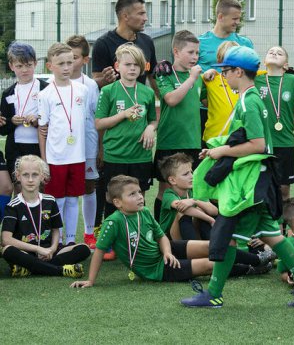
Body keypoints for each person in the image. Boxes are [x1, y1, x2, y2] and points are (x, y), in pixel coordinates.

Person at [180, 46, 294, 308]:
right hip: (257, 180)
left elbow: (257, 144)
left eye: (226, 71)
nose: (224, 76)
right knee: (271, 234)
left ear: (237, 72)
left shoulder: (248, 100)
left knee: (228, 235)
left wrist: (221, 150)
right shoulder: (252, 97)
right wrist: (217, 150)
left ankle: (214, 294)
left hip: (249, 183)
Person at [69, 175, 214, 287]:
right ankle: (235, 267)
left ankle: (233, 256)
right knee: (209, 265)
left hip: (164, 253)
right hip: (156, 269)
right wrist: (90, 280)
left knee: (211, 247)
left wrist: (167, 252)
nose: (139, 197)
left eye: (139, 192)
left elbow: (161, 236)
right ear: (117, 202)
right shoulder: (113, 222)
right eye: (132, 194)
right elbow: (99, 251)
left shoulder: (143, 211)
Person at [95, 43, 157, 259]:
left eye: (136, 65)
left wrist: (150, 128)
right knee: (113, 200)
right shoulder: (108, 91)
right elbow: (99, 123)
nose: (132, 69)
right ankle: (110, 245)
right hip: (115, 156)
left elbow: (153, 119)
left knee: (138, 199)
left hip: (140, 156)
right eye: (128, 64)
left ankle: (138, 240)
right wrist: (123, 115)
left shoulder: (147, 92)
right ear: (117, 66)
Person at [2, 155, 89, 278]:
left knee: (84, 249)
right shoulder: (13, 205)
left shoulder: (50, 201)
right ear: (18, 176)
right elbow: (6, 239)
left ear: (42, 177)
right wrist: (37, 249)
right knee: (8, 250)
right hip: (25, 252)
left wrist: (52, 249)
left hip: (48, 252)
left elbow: (55, 230)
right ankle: (59, 270)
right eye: (26, 175)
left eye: (35, 175)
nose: (30, 179)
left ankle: (29, 268)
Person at [37, 43, 87, 246]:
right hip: (55, 157)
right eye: (61, 64)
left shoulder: (82, 90)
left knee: (74, 199)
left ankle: (71, 240)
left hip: (78, 155)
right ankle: (54, 239)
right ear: (50, 66)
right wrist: (43, 160)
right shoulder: (45, 94)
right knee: (57, 200)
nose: (67, 67)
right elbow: (42, 130)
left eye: (70, 62)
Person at [153, 30, 205, 220]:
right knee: (166, 189)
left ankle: (185, 233)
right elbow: (171, 99)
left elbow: (206, 101)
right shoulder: (164, 74)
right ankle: (160, 231)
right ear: (176, 51)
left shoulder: (199, 76)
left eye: (197, 53)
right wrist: (191, 78)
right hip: (170, 141)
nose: (195, 57)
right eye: (190, 52)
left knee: (191, 189)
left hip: (192, 141)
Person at [255, 46, 294, 201]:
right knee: (261, 186)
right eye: (270, 52)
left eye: (279, 53)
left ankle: (281, 224)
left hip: (285, 142)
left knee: (284, 189)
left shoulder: (292, 80)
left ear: (286, 65)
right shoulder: (256, 80)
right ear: (264, 61)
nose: (274, 53)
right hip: (260, 143)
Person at [197, 0, 253, 146]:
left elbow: (251, 74)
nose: (237, 22)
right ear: (220, 16)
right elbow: (192, 73)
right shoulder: (200, 43)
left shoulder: (245, 43)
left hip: (237, 109)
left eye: (239, 18)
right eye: (234, 18)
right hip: (205, 111)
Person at [0, 42, 46, 215]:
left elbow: (54, 120)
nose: (24, 70)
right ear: (12, 66)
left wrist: (37, 120)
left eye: (28, 65)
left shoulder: (45, 88)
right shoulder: (8, 93)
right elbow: (2, 129)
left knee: (38, 189)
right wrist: (11, 121)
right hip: (15, 148)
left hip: (38, 147)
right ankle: (20, 230)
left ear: (35, 63)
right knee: (19, 189)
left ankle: (39, 228)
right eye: (19, 66)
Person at [67, 35, 100, 249]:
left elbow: (96, 119)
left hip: (87, 144)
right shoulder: (52, 83)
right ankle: (63, 235)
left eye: (75, 58)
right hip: (63, 147)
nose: (70, 63)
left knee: (89, 186)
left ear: (85, 61)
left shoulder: (90, 86)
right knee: (64, 189)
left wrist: (100, 149)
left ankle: (89, 233)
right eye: (66, 58)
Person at [91, 0, 158, 93]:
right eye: (141, 14)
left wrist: (166, 100)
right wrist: (106, 80)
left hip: (139, 106)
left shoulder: (147, 41)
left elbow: (153, 77)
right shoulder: (103, 44)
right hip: (115, 106)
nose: (145, 18)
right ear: (125, 16)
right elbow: (96, 82)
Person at [158, 153, 217, 240]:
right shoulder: (169, 194)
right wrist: (210, 220)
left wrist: (195, 201)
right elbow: (181, 208)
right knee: (182, 212)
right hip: (169, 241)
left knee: (201, 208)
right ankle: (193, 249)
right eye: (186, 174)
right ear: (172, 180)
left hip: (189, 235)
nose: (191, 176)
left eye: (191, 172)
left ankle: (209, 244)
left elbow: (214, 211)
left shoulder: (194, 191)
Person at [202, 41, 240, 142]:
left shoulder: (249, 78)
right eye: (226, 59)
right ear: (220, 61)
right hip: (213, 138)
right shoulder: (210, 79)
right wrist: (211, 71)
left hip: (239, 139)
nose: (230, 63)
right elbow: (204, 101)